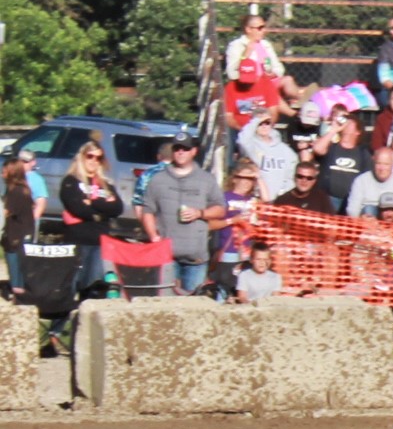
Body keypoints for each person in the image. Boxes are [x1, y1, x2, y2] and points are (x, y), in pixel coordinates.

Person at [140, 135, 226, 296]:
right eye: (177, 148)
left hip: (196, 257)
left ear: (194, 151)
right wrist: (153, 236)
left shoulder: (206, 179)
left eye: (185, 149)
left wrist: (200, 213)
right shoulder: (158, 179)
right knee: (164, 302)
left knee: (193, 305)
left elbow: (220, 209)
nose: (180, 152)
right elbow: (147, 210)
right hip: (166, 255)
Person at [58, 142, 124, 297]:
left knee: (94, 287)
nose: (94, 161)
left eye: (99, 158)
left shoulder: (105, 184)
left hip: (101, 241)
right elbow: (77, 208)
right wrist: (102, 210)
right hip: (77, 240)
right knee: (71, 286)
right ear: (82, 157)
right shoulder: (71, 181)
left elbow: (118, 208)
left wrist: (92, 202)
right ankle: (62, 319)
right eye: (90, 156)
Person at [221, 13, 289, 129]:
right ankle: (294, 113)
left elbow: (279, 68)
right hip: (250, 83)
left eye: (264, 27)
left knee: (288, 80)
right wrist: (246, 53)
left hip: (268, 80)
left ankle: (302, 103)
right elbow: (232, 73)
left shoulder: (266, 45)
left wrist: (273, 73)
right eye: (260, 28)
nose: (263, 31)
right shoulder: (236, 46)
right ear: (248, 29)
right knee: (270, 91)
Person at [234, 115, 298, 200]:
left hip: (280, 199)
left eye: (267, 123)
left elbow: (292, 175)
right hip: (256, 197)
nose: (264, 126)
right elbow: (242, 140)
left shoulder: (286, 150)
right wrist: (256, 121)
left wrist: (282, 193)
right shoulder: (251, 146)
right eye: (260, 124)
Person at [345, 146, 393, 218]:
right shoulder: (360, 181)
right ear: (373, 162)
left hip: (391, 223)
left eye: (386, 164)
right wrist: (360, 219)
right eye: (378, 163)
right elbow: (352, 210)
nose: (382, 168)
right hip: (365, 222)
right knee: (369, 209)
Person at [3, 159, 35, 299]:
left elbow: (6, 212)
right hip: (22, 235)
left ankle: (18, 298)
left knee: (16, 270)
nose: (1, 174)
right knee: (21, 269)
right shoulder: (23, 189)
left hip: (16, 237)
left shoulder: (15, 192)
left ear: (12, 173)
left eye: (4, 171)